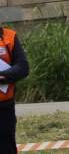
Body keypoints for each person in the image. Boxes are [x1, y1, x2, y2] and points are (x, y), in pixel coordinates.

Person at [0, 23, 28, 154]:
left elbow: (23, 67)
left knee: (7, 148)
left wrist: (4, 77)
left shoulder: (9, 37)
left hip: (4, 108)